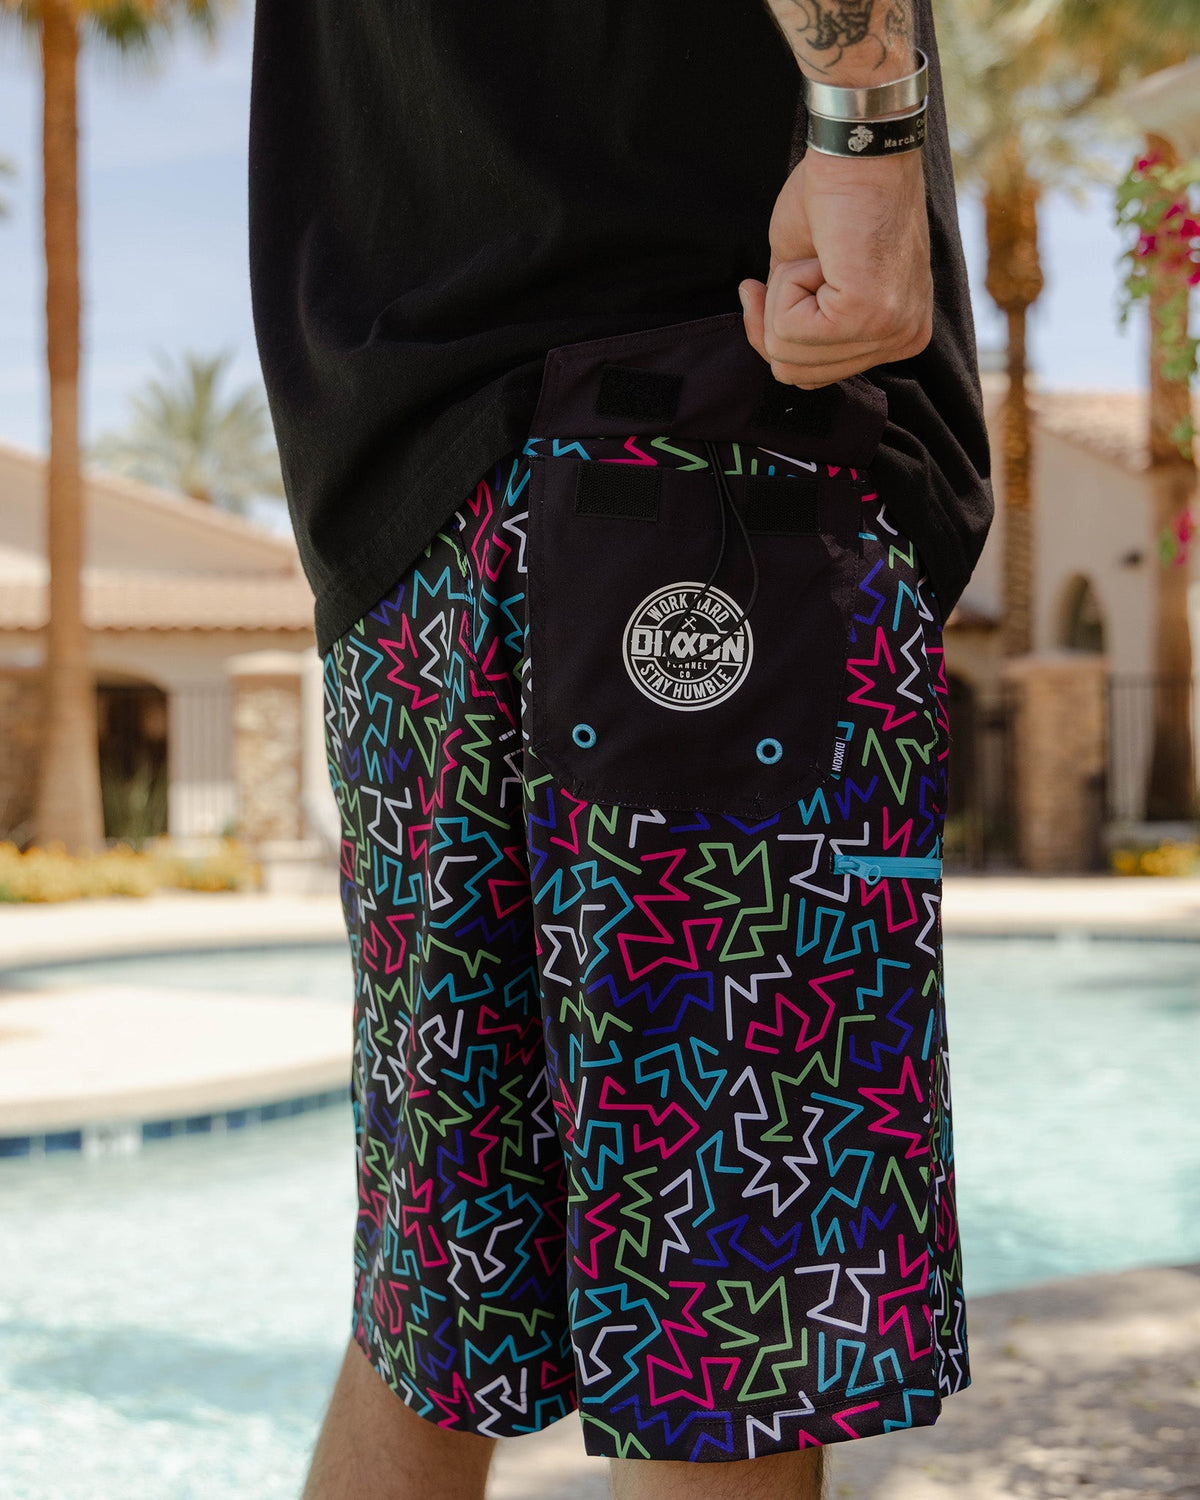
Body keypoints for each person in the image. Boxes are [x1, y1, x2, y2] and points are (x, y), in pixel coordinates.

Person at [248, 1, 992, 1496]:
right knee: (734, 1338)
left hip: (402, 500)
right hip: (711, 410)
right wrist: (864, 124)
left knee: (429, 1313)